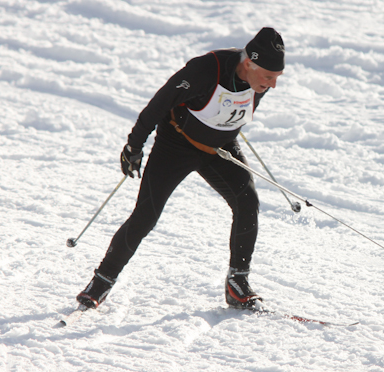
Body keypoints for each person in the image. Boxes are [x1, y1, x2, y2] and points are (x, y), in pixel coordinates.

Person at [76, 27, 285, 310]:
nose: (273, 85)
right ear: (248, 63)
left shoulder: (257, 80)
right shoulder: (205, 70)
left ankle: (238, 284)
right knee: (146, 215)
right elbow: (159, 104)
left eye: (277, 78)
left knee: (247, 200)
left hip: (218, 149)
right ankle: (100, 282)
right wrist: (134, 145)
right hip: (175, 146)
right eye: (269, 77)